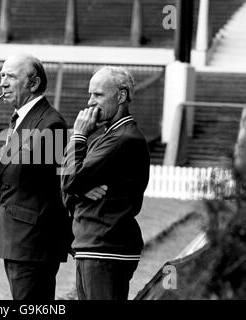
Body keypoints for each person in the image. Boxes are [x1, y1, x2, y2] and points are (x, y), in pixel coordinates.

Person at [61, 66, 150, 300]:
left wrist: (79, 136)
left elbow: (70, 180)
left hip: (106, 248)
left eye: (98, 95)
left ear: (121, 96)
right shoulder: (106, 138)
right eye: (90, 94)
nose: (90, 102)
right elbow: (68, 189)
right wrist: (78, 189)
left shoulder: (123, 139)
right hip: (93, 245)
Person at [0, 53, 72, 300]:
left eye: (11, 77)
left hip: (33, 243)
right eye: (2, 76)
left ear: (33, 84)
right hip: (18, 239)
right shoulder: (22, 118)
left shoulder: (51, 124)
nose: (3, 82)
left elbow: (60, 183)